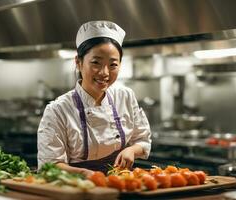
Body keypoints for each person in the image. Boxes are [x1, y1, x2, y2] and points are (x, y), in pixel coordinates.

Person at [37, 21, 151, 177]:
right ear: (78, 62)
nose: (104, 73)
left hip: (122, 185)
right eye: (96, 63)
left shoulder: (125, 96)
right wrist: (85, 174)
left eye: (113, 65)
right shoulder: (58, 110)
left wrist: (131, 150)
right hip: (78, 188)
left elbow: (143, 140)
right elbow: (50, 166)